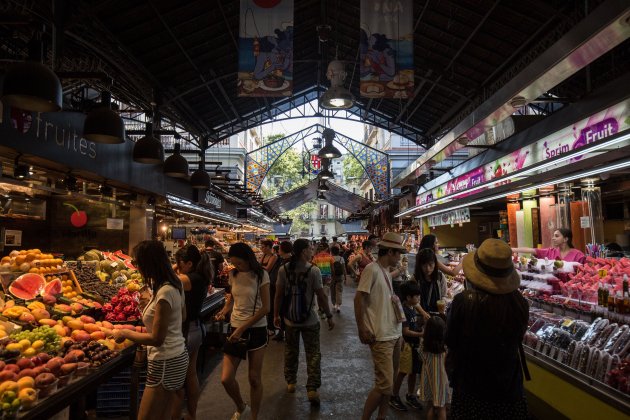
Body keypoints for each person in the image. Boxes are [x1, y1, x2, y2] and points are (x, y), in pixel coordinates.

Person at [447, 238, 529, 419]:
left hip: (472, 386)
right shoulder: (520, 303)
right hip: (509, 387)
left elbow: (451, 340)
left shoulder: (464, 301)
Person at [111, 240, 188, 420]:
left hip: (165, 360)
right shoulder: (175, 283)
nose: (136, 267)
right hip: (177, 355)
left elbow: (157, 339)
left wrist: (126, 333)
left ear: (148, 263)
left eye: (138, 263)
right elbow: (182, 316)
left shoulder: (164, 293)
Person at [273, 238, 335, 405]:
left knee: (291, 351)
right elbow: (321, 296)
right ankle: (312, 389)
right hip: (310, 320)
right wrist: (329, 316)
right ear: (303, 252)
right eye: (310, 248)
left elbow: (278, 295)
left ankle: (291, 382)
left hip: (290, 320)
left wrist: (276, 315)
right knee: (313, 354)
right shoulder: (313, 271)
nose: (312, 250)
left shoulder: (283, 270)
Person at [215, 243, 270, 420]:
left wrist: (242, 328)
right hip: (235, 329)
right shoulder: (233, 274)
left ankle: (254, 416)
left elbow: (266, 308)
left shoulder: (261, 275)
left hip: (256, 329)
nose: (236, 266)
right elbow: (232, 297)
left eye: (239, 263)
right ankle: (241, 406)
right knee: (226, 378)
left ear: (248, 259)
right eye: (234, 263)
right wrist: (225, 310)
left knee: (254, 378)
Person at [354, 232, 406, 420]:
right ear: (390, 252)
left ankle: (381, 417)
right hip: (381, 336)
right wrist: (362, 328)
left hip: (394, 333)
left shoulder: (384, 271)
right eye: (398, 253)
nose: (400, 257)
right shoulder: (372, 269)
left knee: (389, 385)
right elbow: (359, 298)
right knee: (384, 385)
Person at [172, 245, 213, 420]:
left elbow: (167, 281)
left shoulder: (190, 279)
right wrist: (177, 266)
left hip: (186, 332)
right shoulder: (199, 277)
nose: (177, 266)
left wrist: (171, 268)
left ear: (189, 263)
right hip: (196, 329)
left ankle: (176, 416)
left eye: (179, 263)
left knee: (176, 383)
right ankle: (191, 414)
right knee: (191, 374)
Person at [390, 281, 424, 412]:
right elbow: (405, 331)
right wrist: (421, 334)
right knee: (403, 371)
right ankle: (394, 395)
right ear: (408, 297)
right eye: (416, 296)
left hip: (414, 345)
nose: (418, 299)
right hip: (407, 346)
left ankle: (410, 395)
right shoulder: (405, 310)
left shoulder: (412, 307)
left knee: (414, 371)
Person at [418, 316, 449, 420]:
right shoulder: (444, 347)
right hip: (441, 381)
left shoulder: (423, 345)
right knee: (441, 407)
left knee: (430, 405)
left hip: (428, 379)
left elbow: (422, 358)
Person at [512, 227, 586, 263]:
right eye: (553, 236)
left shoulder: (578, 255)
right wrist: (510, 249)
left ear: (565, 239)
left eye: (556, 236)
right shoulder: (550, 252)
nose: (553, 238)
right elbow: (531, 250)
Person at [412, 248, 447, 315]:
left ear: (435, 263)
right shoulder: (415, 278)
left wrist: (443, 302)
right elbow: (414, 301)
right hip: (420, 315)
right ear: (420, 265)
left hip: (437, 314)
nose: (428, 268)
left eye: (431, 264)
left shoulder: (440, 277)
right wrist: (424, 314)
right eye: (424, 265)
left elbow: (444, 295)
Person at [270, 240, 293, 341]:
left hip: (284, 291)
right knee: (283, 311)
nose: (278, 250)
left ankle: (286, 333)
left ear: (283, 249)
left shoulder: (287, 262)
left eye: (279, 248)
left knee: (284, 310)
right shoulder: (283, 259)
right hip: (281, 289)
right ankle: (282, 332)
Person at [312, 243, 334, 317]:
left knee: (319, 294)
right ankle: (325, 309)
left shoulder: (316, 257)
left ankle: (320, 309)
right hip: (328, 277)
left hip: (319, 277)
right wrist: (332, 276)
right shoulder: (330, 257)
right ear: (327, 248)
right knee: (325, 294)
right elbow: (332, 268)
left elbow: (314, 268)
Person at [330, 246, 347, 313]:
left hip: (332, 277)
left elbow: (330, 268)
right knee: (339, 291)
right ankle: (338, 306)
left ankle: (334, 304)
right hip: (340, 276)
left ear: (332, 252)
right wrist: (345, 277)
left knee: (332, 290)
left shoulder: (330, 258)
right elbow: (344, 268)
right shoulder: (341, 258)